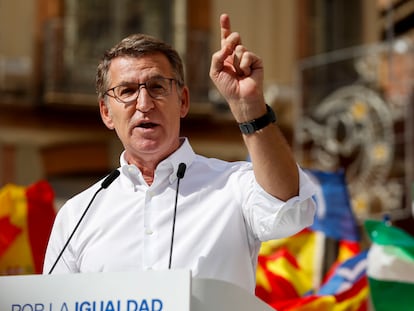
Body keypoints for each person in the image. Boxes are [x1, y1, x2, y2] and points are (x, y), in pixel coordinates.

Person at [43, 13, 316, 293]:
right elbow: (49, 301)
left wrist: (249, 108)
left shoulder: (234, 185)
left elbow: (291, 208)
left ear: (183, 101)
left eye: (157, 87)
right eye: (126, 91)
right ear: (106, 113)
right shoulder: (77, 215)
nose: (144, 103)